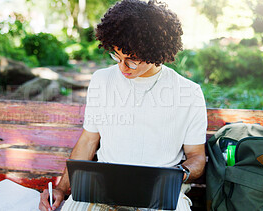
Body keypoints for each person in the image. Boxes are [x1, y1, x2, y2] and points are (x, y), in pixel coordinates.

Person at [39, 0, 207, 210]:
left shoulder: (188, 92)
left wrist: (181, 174)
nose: (123, 68)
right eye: (117, 57)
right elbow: (89, 141)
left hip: (160, 193)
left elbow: (197, 156)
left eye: (132, 60)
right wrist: (61, 189)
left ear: (157, 53)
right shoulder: (101, 80)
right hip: (103, 189)